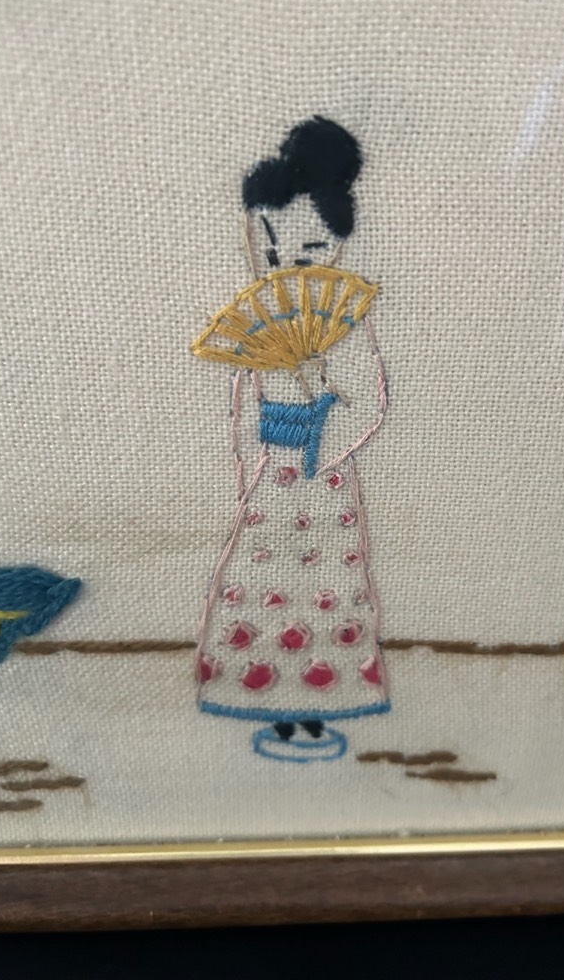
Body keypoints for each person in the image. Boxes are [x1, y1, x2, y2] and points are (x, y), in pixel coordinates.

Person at [191, 117, 389, 762]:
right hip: (271, 479)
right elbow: (241, 406)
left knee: (328, 584)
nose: (289, 264)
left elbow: (371, 402)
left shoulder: (347, 322)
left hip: (323, 478)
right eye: (274, 248)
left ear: (334, 248)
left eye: (309, 250)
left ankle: (318, 707)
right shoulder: (256, 330)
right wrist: (248, 463)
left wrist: (326, 405)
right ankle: (266, 706)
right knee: (259, 583)